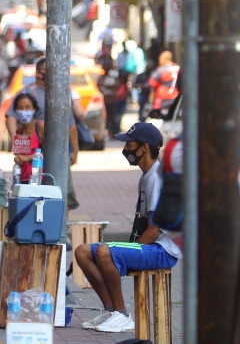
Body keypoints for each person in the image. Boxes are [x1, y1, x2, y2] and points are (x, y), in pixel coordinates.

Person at [74, 123, 181, 333]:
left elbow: (153, 231)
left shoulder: (155, 179)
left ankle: (122, 315)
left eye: (129, 144)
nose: (125, 150)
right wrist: (126, 250)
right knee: (82, 252)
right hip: (152, 246)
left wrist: (124, 252)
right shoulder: (146, 177)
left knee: (105, 252)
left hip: (163, 250)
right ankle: (110, 309)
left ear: (144, 148)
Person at [6, 57, 80, 209]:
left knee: (61, 192)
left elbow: (70, 124)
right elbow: (11, 117)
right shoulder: (27, 92)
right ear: (38, 73)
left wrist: (75, 150)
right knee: (31, 195)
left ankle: (61, 226)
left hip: (59, 152)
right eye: (48, 71)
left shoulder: (62, 93)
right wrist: (18, 141)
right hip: (33, 155)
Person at [12, 92, 44, 183]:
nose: (24, 111)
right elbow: (19, 153)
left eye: (27, 107)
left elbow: (51, 152)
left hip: (37, 178)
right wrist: (17, 158)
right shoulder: (19, 131)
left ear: (34, 109)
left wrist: (28, 158)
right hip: (21, 177)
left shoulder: (40, 126)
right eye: (20, 108)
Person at [98, 59, 129, 137]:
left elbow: (117, 85)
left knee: (114, 117)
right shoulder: (102, 78)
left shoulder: (113, 77)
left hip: (113, 101)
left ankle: (113, 131)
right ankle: (107, 131)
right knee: (106, 118)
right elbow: (100, 86)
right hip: (105, 101)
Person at [148, 51, 180, 115]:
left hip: (163, 99)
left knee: (163, 119)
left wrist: (151, 100)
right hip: (177, 98)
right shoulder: (178, 68)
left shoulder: (161, 69)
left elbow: (152, 84)